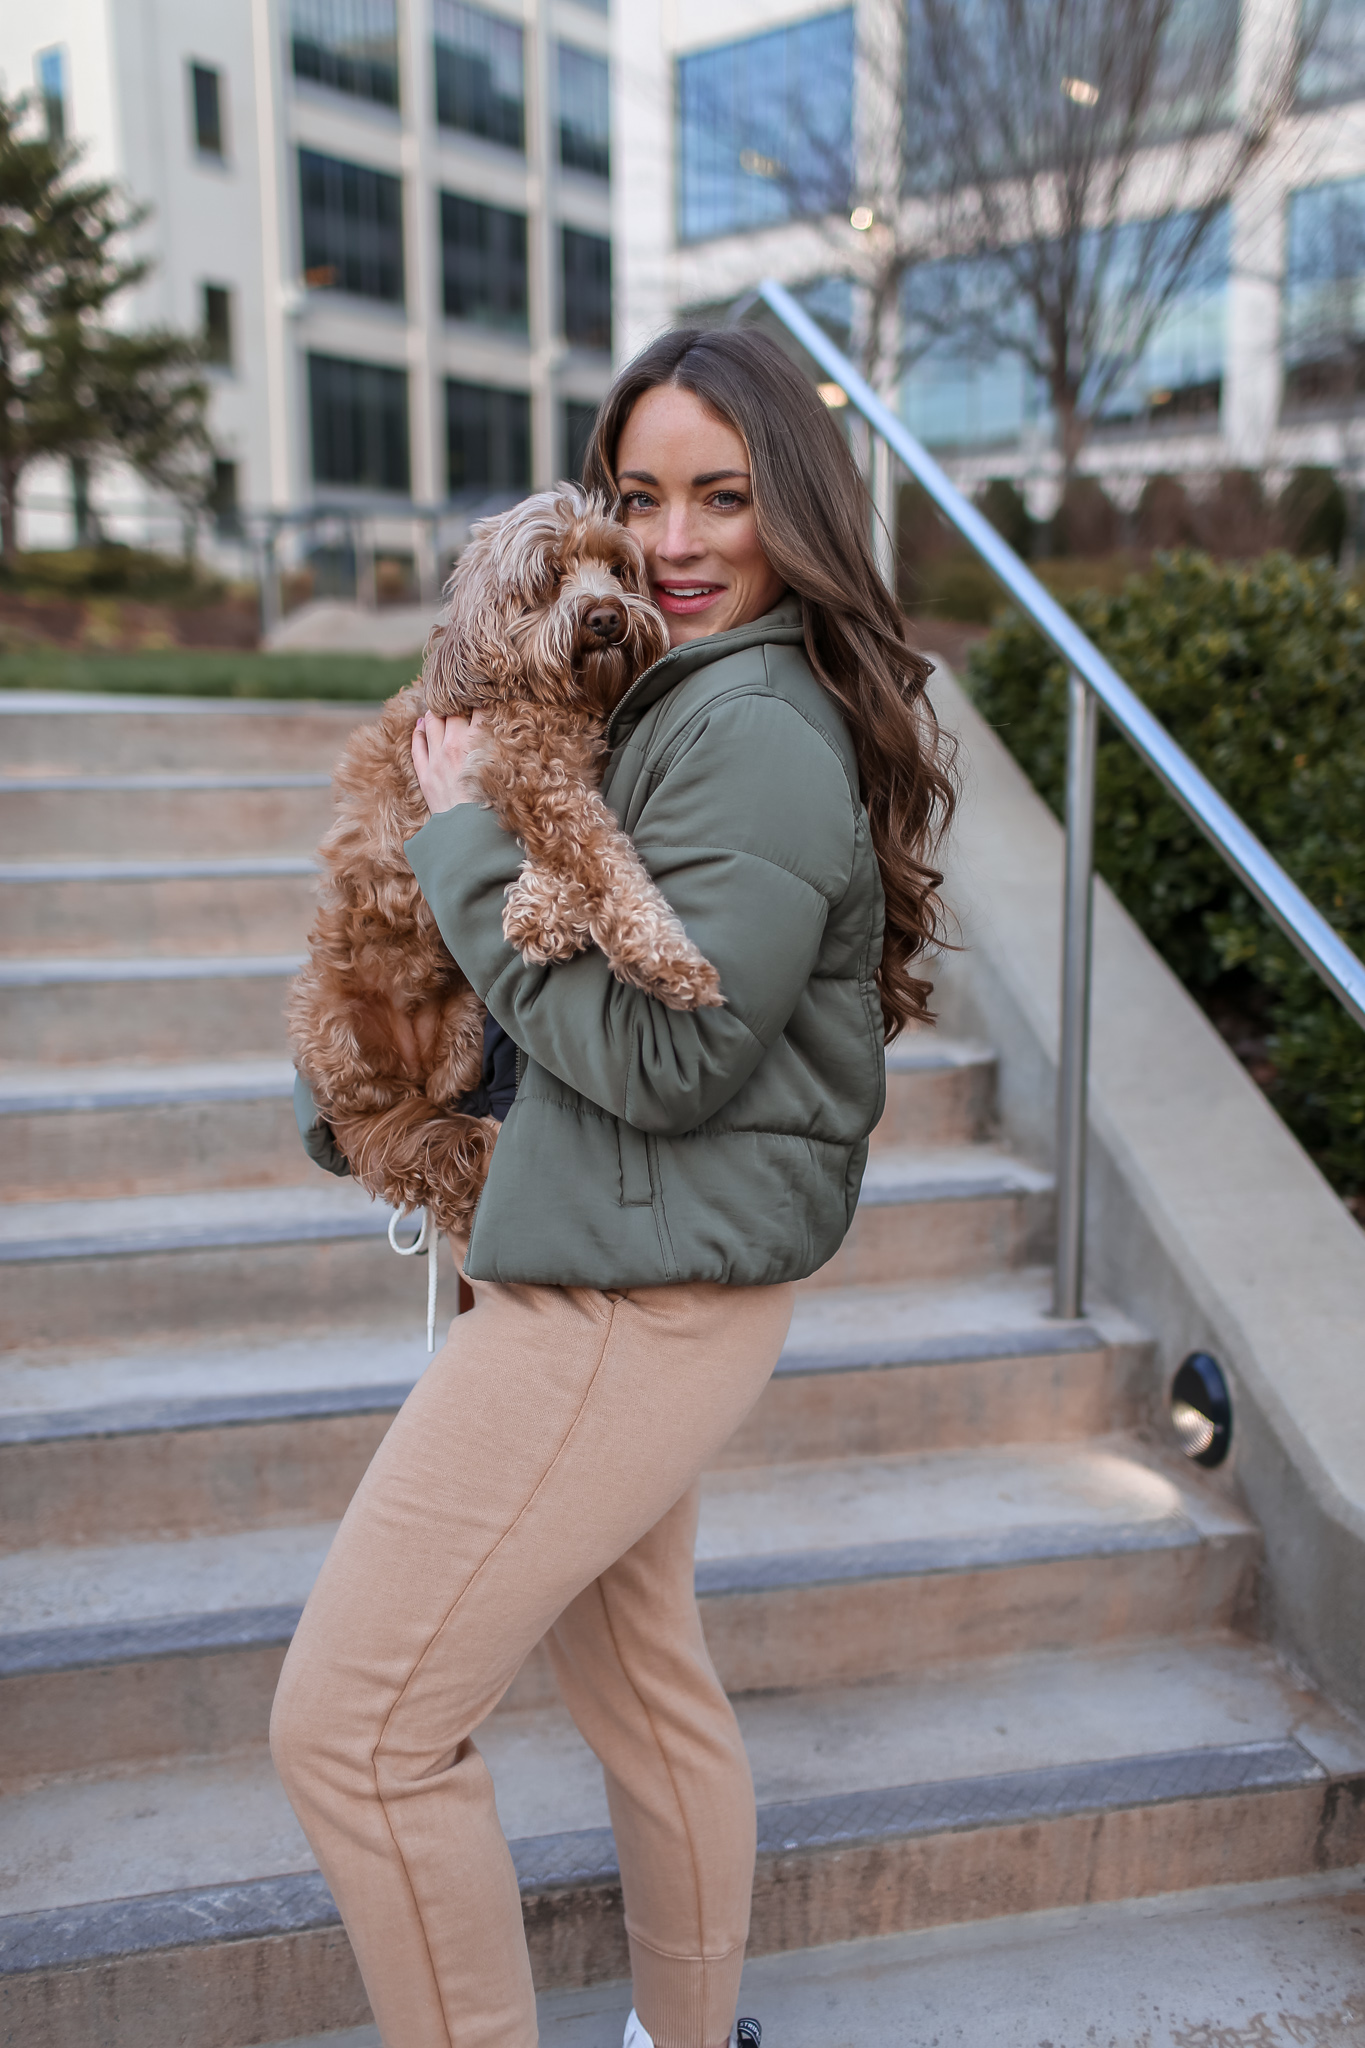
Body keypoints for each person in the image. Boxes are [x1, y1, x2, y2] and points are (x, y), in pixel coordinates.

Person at [272, 326, 956, 2048]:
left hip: (624, 1295)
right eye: (637, 496)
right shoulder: (677, 693)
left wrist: (457, 834)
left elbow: (670, 1060)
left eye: (722, 497)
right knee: (644, 1689)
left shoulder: (749, 730)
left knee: (353, 1733)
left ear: (792, 506)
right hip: (636, 1262)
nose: (673, 542)